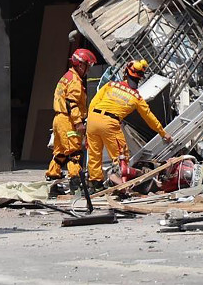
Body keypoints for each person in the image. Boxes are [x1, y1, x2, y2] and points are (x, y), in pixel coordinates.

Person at [86, 60, 172, 192]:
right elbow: (149, 117)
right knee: (121, 156)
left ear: (126, 73)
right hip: (110, 123)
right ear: (140, 78)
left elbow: (93, 103)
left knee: (94, 154)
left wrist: (90, 122)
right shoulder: (136, 97)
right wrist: (163, 133)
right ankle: (121, 185)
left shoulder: (110, 85)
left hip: (93, 119)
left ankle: (95, 184)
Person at [45, 48, 97, 196]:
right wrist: (79, 122)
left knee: (60, 153)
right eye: (88, 66)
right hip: (68, 120)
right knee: (75, 153)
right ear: (81, 65)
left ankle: (52, 182)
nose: (88, 70)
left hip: (59, 119)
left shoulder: (66, 77)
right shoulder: (75, 81)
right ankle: (76, 185)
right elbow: (71, 103)